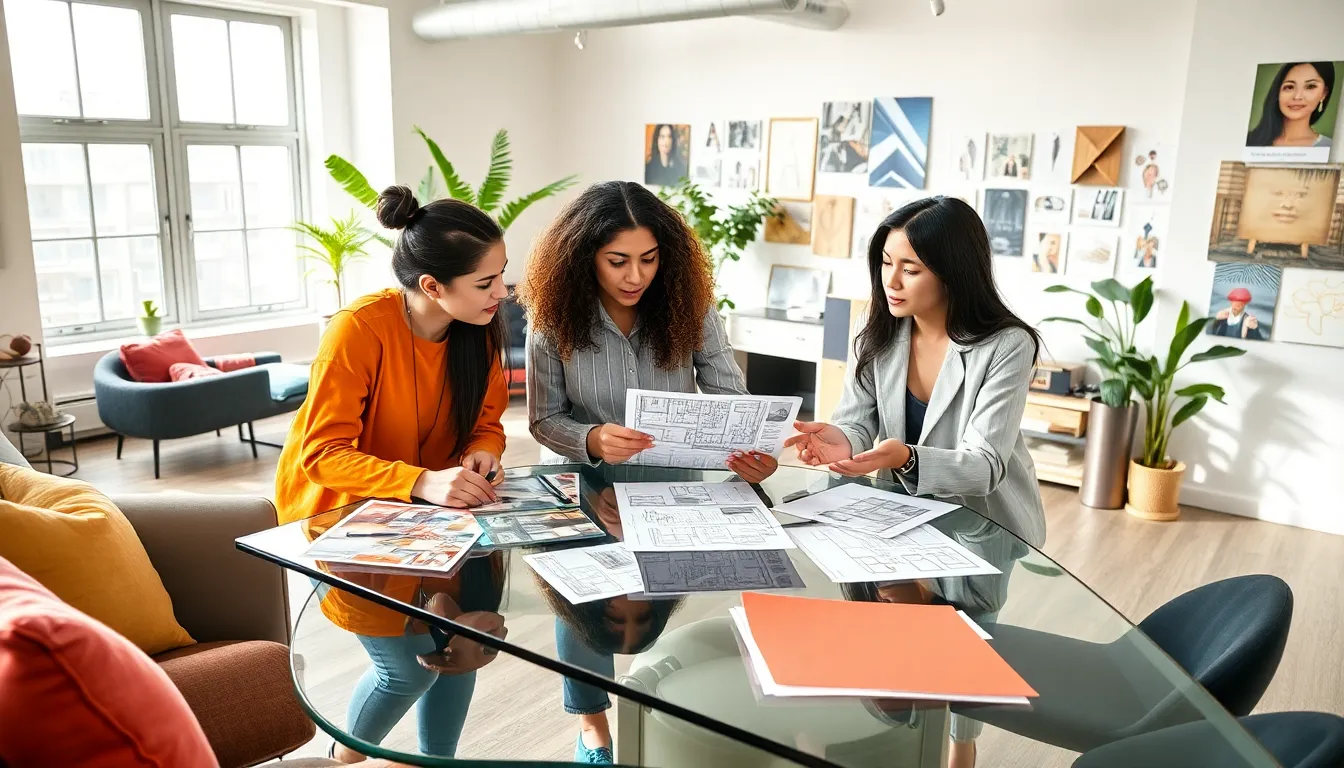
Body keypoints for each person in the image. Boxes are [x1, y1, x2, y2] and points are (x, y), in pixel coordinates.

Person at [519, 180, 776, 762]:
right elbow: (542, 420)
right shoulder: (553, 318)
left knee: (654, 604)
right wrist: (591, 441)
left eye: (649, 259)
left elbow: (730, 399)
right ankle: (591, 726)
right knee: (583, 602)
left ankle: (662, 707)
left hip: (670, 492)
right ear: (583, 257)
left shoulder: (692, 311)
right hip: (583, 487)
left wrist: (752, 450)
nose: (635, 276)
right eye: (617, 261)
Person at [784, 196, 1045, 768]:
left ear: (953, 271)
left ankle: (962, 746)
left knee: (964, 644)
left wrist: (903, 457)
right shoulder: (879, 330)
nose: (891, 281)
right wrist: (842, 439)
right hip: (889, 513)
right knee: (878, 628)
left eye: (911, 267)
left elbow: (984, 465)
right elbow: (857, 420)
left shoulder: (1007, 345)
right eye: (884, 263)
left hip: (981, 516)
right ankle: (886, 731)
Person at [274, 185, 512, 762]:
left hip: (438, 515)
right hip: (343, 519)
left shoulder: (477, 330)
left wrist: (483, 449)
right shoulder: (358, 329)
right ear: (431, 286)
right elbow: (322, 453)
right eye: (486, 283)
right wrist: (420, 480)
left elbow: (488, 419)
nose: (502, 294)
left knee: (459, 651)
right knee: (406, 673)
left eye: (502, 275)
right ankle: (344, 760)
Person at [1247, 62, 1336, 148]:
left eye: (1310, 86)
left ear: (1324, 93)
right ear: (1278, 92)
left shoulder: (1330, 147)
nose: (1297, 97)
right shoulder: (1250, 141)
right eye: (1289, 87)